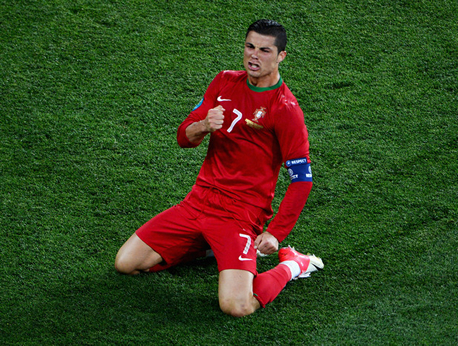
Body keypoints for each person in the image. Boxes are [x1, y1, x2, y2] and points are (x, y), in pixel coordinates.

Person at [114, 19, 323, 317]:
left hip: (240, 214)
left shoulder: (285, 110)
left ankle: (293, 265)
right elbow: (183, 137)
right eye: (250, 46)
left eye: (265, 50)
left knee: (236, 306)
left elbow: (302, 180)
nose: (254, 55)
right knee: (126, 264)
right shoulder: (224, 81)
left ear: (281, 57)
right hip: (197, 202)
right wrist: (203, 126)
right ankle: (209, 247)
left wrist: (276, 232)